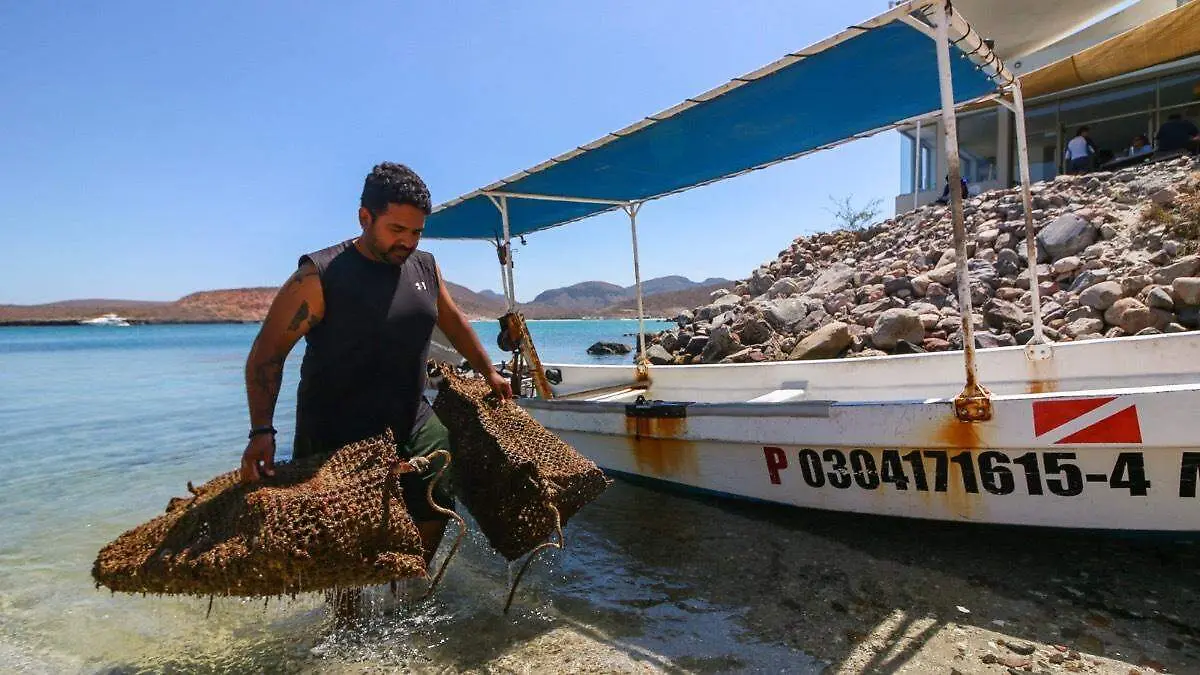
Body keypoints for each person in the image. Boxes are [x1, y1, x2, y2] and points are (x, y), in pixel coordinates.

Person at [240, 162, 512, 613]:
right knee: (342, 542)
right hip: (335, 432)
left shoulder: (424, 266)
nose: (408, 241)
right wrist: (260, 432)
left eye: (417, 232)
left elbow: (452, 321)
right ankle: (346, 625)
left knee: (435, 501)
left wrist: (489, 371)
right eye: (396, 229)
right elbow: (266, 358)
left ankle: (403, 600)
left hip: (409, 418)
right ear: (364, 218)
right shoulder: (319, 275)